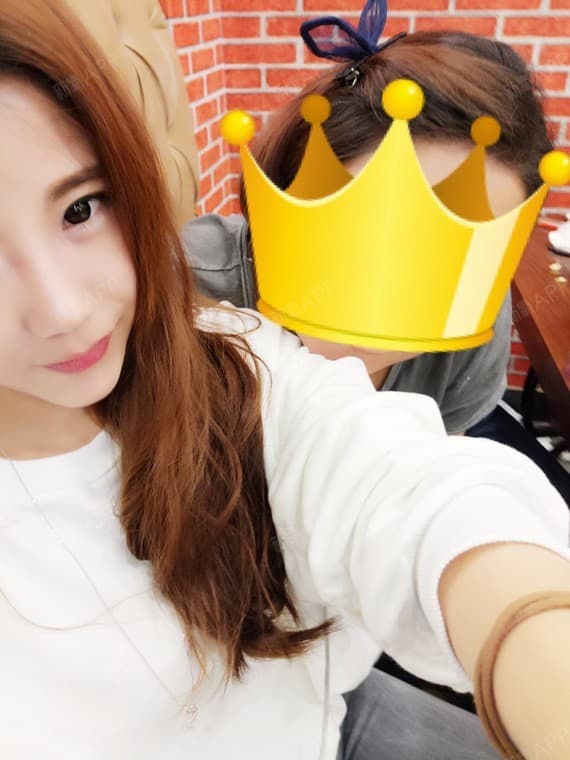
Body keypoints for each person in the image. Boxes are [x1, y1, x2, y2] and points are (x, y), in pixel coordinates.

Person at [1, 2, 570, 760]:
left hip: (326, 661)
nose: (65, 311)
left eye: (80, 208)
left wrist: (519, 616)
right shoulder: (206, 315)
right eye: (360, 238)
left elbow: (420, 489)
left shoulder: (459, 341)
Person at [183, 28, 547, 436]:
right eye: (353, 240)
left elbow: (432, 457)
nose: (381, 308)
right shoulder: (183, 287)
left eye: (445, 261)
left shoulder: (473, 316)